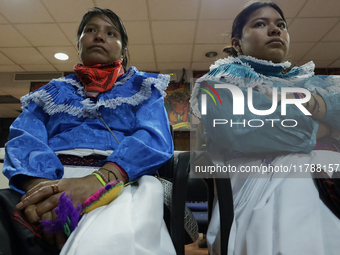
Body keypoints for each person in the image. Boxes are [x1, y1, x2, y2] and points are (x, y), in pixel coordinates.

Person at [1, 7, 175, 255]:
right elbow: (24, 139)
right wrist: (45, 192)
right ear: (79, 44)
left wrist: (101, 179)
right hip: (49, 178)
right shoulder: (50, 91)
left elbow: (154, 138)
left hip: (121, 179)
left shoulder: (144, 88)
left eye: (111, 33)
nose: (99, 36)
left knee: (109, 238)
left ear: (123, 52)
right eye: (90, 30)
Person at [190, 2, 340, 255]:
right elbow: (240, 129)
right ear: (237, 43)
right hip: (259, 174)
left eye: (280, 25)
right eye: (260, 24)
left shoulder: (311, 81)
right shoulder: (219, 82)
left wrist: (312, 102)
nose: (275, 30)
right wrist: (328, 129)